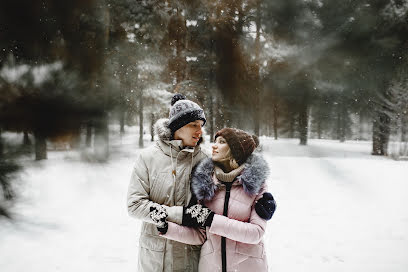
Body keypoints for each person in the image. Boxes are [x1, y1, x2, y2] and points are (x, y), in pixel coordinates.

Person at [150, 128, 276, 272]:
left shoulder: (256, 186)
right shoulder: (206, 185)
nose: (214, 145)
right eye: (215, 141)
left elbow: (255, 233)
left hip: (247, 267)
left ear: (236, 151)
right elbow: (202, 236)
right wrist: (167, 228)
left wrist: (212, 220)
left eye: (222, 142)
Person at [127, 93, 208, 272]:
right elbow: (134, 205)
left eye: (201, 125)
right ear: (177, 126)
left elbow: (223, 197)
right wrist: (179, 215)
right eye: (193, 125)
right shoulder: (148, 157)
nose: (199, 130)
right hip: (155, 259)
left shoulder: (205, 160)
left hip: (190, 257)